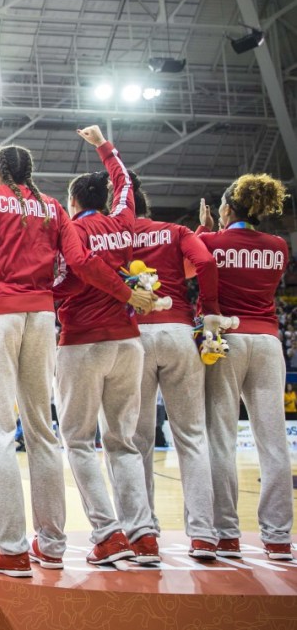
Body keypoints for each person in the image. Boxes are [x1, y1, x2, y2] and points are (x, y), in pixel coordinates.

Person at [0, 140, 153, 577]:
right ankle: (52, 543)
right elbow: (81, 261)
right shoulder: (54, 209)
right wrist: (126, 292)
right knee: (42, 430)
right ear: (30, 172)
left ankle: (11, 548)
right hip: (43, 318)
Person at [52, 126, 159, 565]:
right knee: (123, 441)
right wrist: (104, 148)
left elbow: (74, 269)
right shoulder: (122, 221)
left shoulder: (72, 231)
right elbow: (127, 185)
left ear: (74, 202)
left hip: (84, 341)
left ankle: (108, 533)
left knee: (77, 440)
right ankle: (144, 535)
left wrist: (119, 290)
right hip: (128, 343)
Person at [198, 174, 294, 561]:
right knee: (273, 444)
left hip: (227, 341)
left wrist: (203, 230)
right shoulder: (280, 246)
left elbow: (201, 262)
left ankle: (226, 534)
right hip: (269, 344)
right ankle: (277, 538)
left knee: (220, 438)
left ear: (226, 208)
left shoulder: (211, 241)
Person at [129, 172, 222, 559]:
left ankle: (145, 534)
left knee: (137, 442)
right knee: (191, 435)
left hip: (135, 336)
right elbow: (202, 262)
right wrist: (211, 312)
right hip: (180, 332)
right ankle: (203, 534)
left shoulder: (114, 234)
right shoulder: (173, 230)